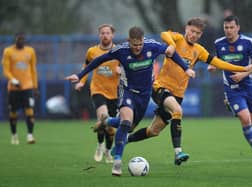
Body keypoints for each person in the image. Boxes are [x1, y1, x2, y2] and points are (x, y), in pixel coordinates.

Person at [125, 17, 252, 165]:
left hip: (178, 94)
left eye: (198, 33)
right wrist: (171, 44)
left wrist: (243, 68)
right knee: (178, 111)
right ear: (186, 28)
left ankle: (124, 140)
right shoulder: (177, 38)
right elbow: (164, 34)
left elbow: (218, 63)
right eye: (192, 31)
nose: (194, 35)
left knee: (153, 131)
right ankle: (178, 153)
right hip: (160, 88)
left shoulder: (199, 50)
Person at [65, 26, 195, 176]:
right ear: (129, 41)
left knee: (131, 127)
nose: (137, 48)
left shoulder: (151, 46)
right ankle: (117, 162)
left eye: (140, 44)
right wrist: (80, 75)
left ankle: (106, 121)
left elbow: (171, 52)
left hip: (144, 95)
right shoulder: (121, 50)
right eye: (134, 45)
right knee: (126, 123)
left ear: (142, 41)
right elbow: (98, 61)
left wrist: (186, 69)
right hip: (127, 91)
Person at [207, 15, 252, 164]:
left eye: (231, 27)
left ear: (238, 28)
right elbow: (216, 61)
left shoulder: (248, 42)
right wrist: (212, 66)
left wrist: (243, 74)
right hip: (232, 88)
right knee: (245, 119)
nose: (228, 30)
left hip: (247, 86)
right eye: (226, 28)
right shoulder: (218, 43)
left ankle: (231, 106)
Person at [74, 24, 120, 163]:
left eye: (107, 33)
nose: (105, 35)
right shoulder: (92, 51)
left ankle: (107, 151)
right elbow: (86, 66)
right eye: (102, 33)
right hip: (97, 90)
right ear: (99, 35)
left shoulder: (119, 51)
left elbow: (127, 67)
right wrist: (81, 81)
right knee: (103, 118)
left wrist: (121, 70)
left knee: (110, 130)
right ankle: (99, 145)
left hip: (114, 93)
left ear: (112, 35)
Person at [2, 32, 39, 145]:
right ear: (15, 40)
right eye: (19, 39)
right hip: (13, 88)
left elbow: (33, 70)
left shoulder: (30, 51)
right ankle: (14, 135)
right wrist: (13, 80)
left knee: (29, 110)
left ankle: (30, 135)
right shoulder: (8, 51)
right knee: (13, 112)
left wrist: (35, 87)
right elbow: (6, 70)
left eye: (23, 39)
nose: (21, 41)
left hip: (27, 86)